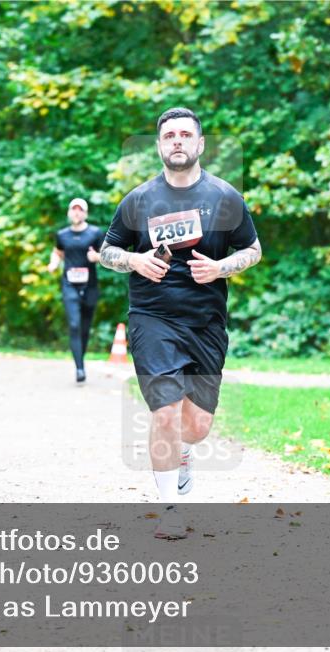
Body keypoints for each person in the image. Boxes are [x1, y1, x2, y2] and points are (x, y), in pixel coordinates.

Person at [99, 107, 262, 539]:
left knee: (197, 425)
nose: (176, 141)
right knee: (166, 411)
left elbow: (253, 250)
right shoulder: (138, 200)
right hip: (152, 317)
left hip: (206, 321)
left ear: (200, 144)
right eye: (168, 135)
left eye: (185, 135)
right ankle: (170, 507)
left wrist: (221, 268)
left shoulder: (225, 197)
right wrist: (135, 259)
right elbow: (108, 252)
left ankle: (184, 453)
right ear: (158, 146)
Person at [47, 197, 105, 383]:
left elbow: (106, 254)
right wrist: (53, 263)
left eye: (80, 210)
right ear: (69, 212)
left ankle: (80, 358)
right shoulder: (62, 234)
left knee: (85, 328)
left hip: (90, 286)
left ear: (85, 213)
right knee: (74, 324)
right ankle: (79, 368)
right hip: (69, 284)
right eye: (74, 209)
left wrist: (95, 257)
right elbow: (58, 252)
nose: (77, 212)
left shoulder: (95, 233)